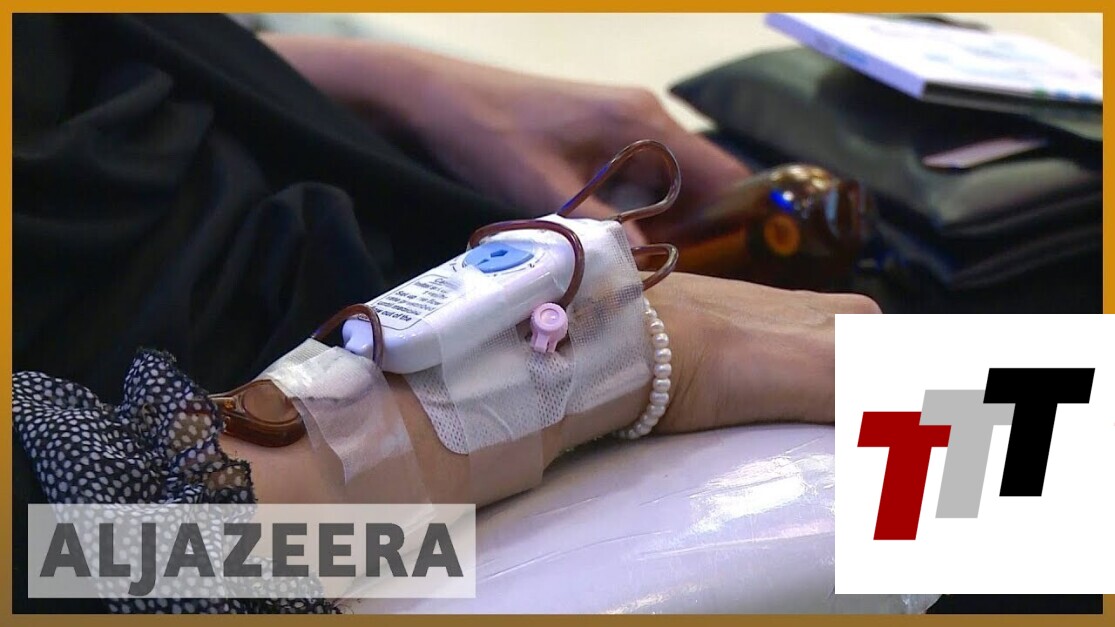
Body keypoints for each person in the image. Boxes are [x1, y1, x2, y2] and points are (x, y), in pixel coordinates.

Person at [12, 13, 879, 614]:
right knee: (944, 450)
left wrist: (395, 85)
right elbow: (81, 553)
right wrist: (600, 358)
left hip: (388, 197)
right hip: (338, 489)